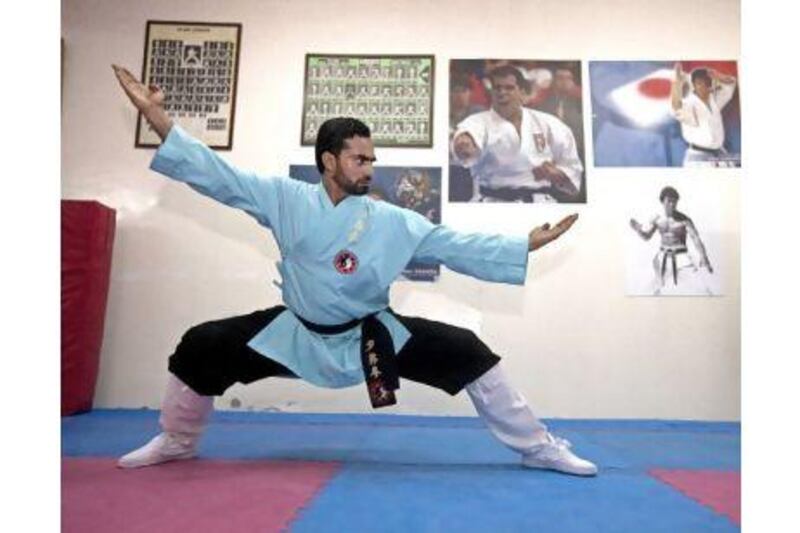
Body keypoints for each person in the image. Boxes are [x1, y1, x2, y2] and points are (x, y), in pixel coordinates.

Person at [111, 65, 597, 476]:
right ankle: (177, 440)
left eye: (372, 160)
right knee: (203, 344)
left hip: (371, 333)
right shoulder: (284, 199)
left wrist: (524, 245)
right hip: (297, 332)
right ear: (328, 161)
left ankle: (536, 447)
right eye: (359, 159)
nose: (369, 169)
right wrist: (156, 115)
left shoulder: (391, 219)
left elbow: (451, 244)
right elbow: (220, 177)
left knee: (466, 350)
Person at [451, 65, 583, 203]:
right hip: (492, 202)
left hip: (539, 202)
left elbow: (571, 165)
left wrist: (556, 174)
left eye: (509, 88)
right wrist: (464, 145)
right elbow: (466, 139)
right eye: (497, 88)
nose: (502, 92)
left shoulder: (549, 123)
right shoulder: (477, 122)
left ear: (523, 92)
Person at [629, 186, 714, 295]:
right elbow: (647, 237)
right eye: (669, 201)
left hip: (682, 258)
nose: (672, 204)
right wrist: (638, 230)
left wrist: (704, 257)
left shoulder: (684, 219)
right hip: (661, 258)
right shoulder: (657, 219)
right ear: (662, 201)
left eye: (675, 201)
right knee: (654, 291)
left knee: (703, 290)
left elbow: (696, 239)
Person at [670, 62, 737, 167]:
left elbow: (730, 84)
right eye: (699, 83)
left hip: (719, 153)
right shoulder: (689, 103)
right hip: (698, 156)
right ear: (694, 85)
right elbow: (676, 107)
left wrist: (718, 76)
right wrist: (677, 83)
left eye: (707, 82)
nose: (704, 86)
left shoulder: (714, 100)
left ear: (710, 84)